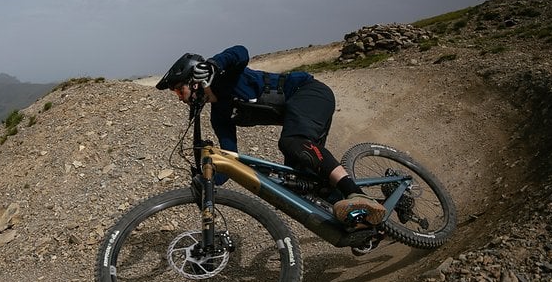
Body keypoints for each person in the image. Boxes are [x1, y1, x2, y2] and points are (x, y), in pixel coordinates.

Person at [156, 45, 385, 227]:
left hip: (309, 92)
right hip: (299, 116)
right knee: (303, 183)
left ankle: (356, 194)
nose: (178, 97)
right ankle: (367, 223)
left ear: (193, 81)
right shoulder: (219, 115)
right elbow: (231, 157)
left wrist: (213, 65)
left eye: (178, 90)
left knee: (292, 142)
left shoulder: (227, 77)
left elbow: (240, 52)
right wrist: (208, 181)